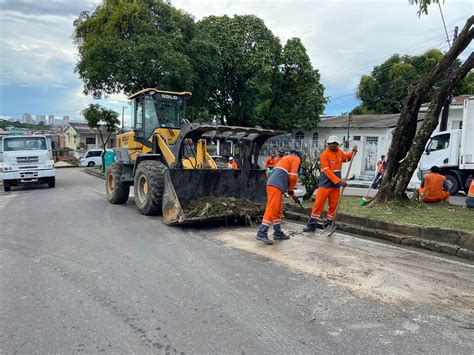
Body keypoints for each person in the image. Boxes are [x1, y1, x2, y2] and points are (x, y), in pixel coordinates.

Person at [303, 136, 357, 232]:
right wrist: (339, 181)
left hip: (335, 185)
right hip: (326, 183)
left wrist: (353, 153)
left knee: (333, 205)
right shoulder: (324, 155)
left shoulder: (340, 153)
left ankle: (328, 225)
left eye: (334, 143)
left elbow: (346, 158)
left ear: (337, 144)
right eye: (330, 143)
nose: (332, 145)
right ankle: (311, 225)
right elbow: (327, 171)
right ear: (328, 144)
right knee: (318, 204)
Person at [256, 150, 301, 245]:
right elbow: (292, 177)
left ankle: (277, 232)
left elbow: (284, 175)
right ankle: (261, 232)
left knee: (277, 209)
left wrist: (290, 191)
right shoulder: (296, 158)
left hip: (273, 185)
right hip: (275, 186)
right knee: (272, 208)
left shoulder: (284, 159)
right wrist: (290, 190)